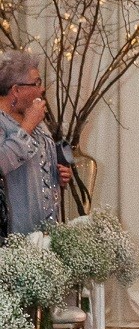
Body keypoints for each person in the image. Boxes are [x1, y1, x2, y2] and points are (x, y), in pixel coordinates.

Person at [0, 49, 71, 234]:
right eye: (36, 83)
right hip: (15, 238)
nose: (42, 89)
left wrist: (59, 175)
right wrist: (27, 127)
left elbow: (39, 165)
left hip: (46, 234)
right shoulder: (11, 121)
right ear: (16, 90)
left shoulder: (34, 119)